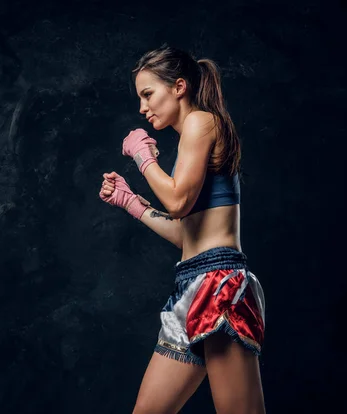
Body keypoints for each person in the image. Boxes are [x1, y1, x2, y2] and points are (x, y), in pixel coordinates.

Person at [99, 44, 266, 414]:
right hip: (192, 284)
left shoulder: (200, 121)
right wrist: (131, 202)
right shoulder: (191, 137)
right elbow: (186, 233)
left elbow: (177, 202)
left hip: (218, 287)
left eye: (148, 94)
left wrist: (143, 155)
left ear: (178, 87)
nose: (143, 108)